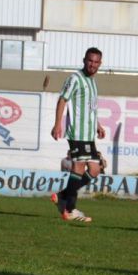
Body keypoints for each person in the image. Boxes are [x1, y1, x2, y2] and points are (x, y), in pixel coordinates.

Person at [50, 47, 106, 223]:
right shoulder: (75, 79)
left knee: (96, 169)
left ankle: (63, 196)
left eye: (96, 62)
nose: (93, 65)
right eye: (90, 61)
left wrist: (98, 125)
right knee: (79, 168)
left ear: (100, 64)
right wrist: (57, 123)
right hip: (77, 133)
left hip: (89, 135)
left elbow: (90, 108)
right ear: (84, 60)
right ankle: (70, 208)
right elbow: (62, 100)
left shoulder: (93, 82)